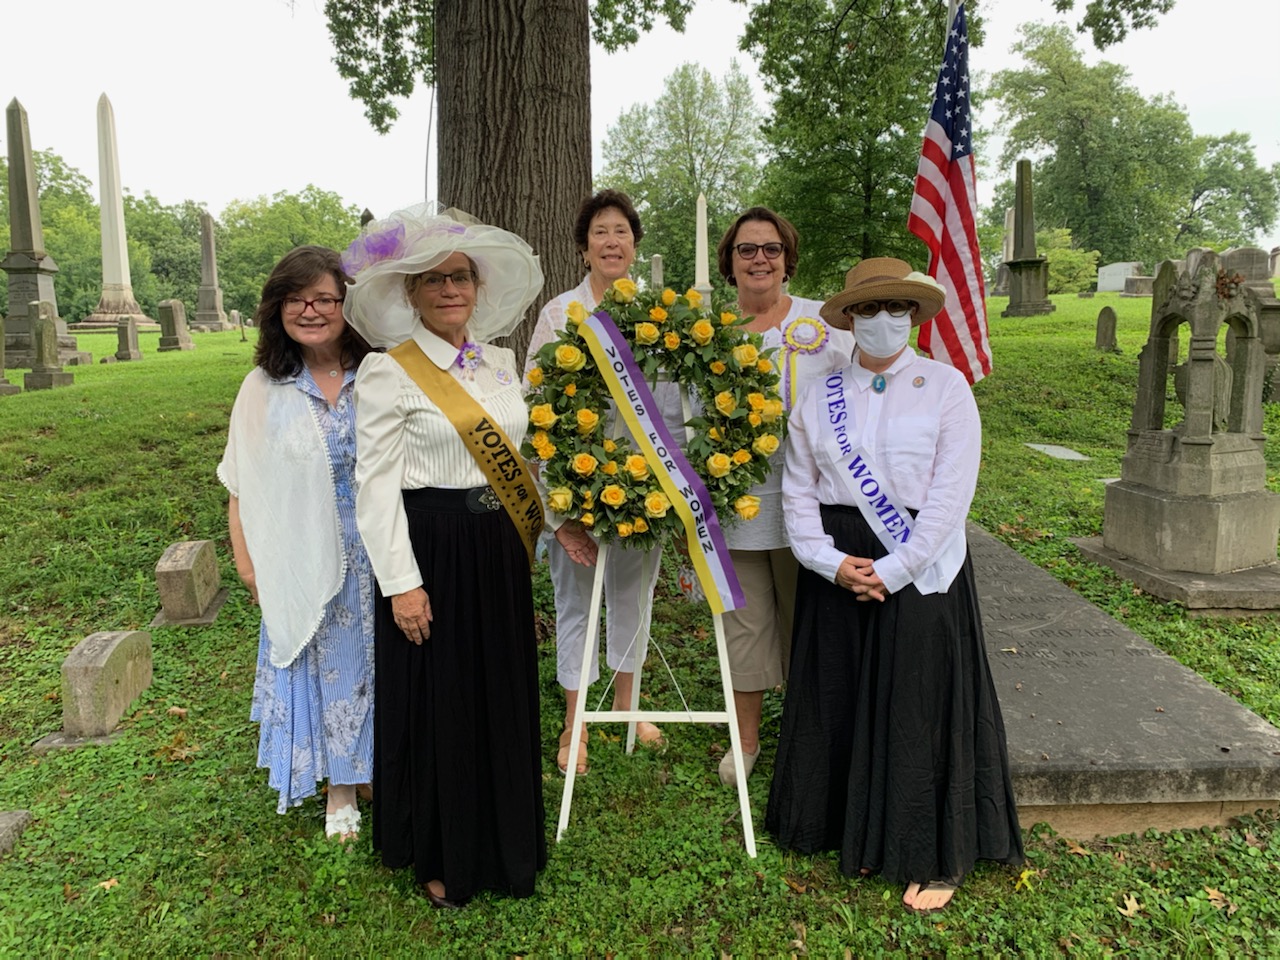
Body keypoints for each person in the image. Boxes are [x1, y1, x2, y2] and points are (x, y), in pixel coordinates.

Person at [343, 205, 597, 908]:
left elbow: (522, 462)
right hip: (432, 550)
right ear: (412, 294)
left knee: (500, 691)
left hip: (497, 549)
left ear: (477, 288)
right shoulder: (389, 372)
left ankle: (507, 843)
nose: (450, 289)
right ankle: (442, 849)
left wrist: (556, 523)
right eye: (434, 280)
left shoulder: (501, 362)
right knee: (442, 703)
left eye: (460, 277)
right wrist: (401, 584)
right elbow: (375, 491)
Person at [766, 258, 1023, 914]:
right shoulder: (818, 394)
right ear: (849, 319)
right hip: (838, 566)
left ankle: (927, 849)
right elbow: (797, 491)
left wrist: (893, 569)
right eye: (870, 310)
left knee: (918, 706)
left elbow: (949, 496)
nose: (883, 322)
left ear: (913, 315)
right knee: (836, 693)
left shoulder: (946, 387)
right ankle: (834, 824)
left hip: (920, 565)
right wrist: (827, 562)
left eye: (897, 309)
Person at [218, 245, 375, 841]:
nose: (311, 310)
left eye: (325, 299)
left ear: (345, 304)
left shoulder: (378, 373)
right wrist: (248, 563)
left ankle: (375, 766)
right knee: (328, 665)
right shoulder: (264, 387)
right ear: (276, 309)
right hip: (303, 551)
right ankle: (339, 785)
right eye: (295, 300)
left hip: (380, 547)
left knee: (380, 664)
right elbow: (241, 481)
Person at [523, 189, 680, 776]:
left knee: (633, 597)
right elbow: (535, 401)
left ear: (635, 244)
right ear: (584, 247)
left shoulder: (659, 313)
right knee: (577, 603)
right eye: (600, 233)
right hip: (578, 484)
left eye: (621, 231)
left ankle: (627, 706)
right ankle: (575, 721)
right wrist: (558, 508)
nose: (611, 242)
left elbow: (670, 406)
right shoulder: (559, 313)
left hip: (644, 485)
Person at [711, 207, 855, 787]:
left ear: (788, 259)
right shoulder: (708, 334)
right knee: (745, 625)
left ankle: (808, 734)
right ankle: (745, 742)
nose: (760, 259)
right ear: (730, 262)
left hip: (810, 507)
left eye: (771, 248)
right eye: (747, 249)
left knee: (809, 624)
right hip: (738, 505)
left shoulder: (826, 330)